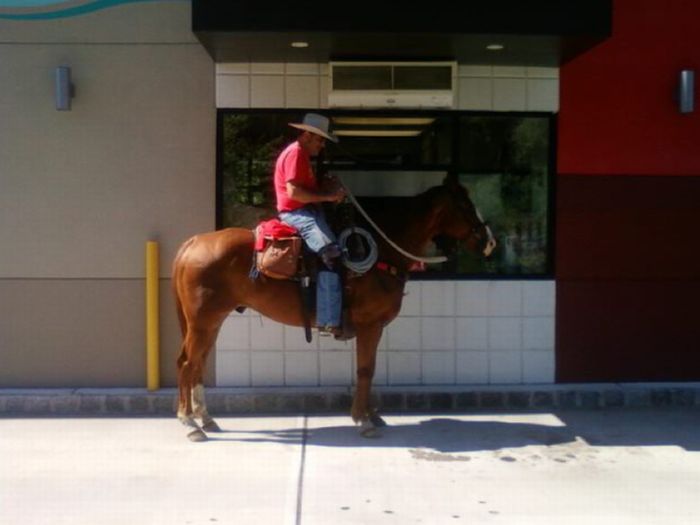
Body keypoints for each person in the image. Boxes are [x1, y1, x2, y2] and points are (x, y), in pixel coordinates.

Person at [274, 113, 345, 335]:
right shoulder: (296, 153)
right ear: (306, 135)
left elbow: (304, 190)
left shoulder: (300, 155)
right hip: (297, 214)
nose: (322, 145)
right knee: (330, 254)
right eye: (320, 140)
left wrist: (324, 189)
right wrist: (328, 197)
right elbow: (295, 193)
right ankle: (328, 320)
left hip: (304, 212)